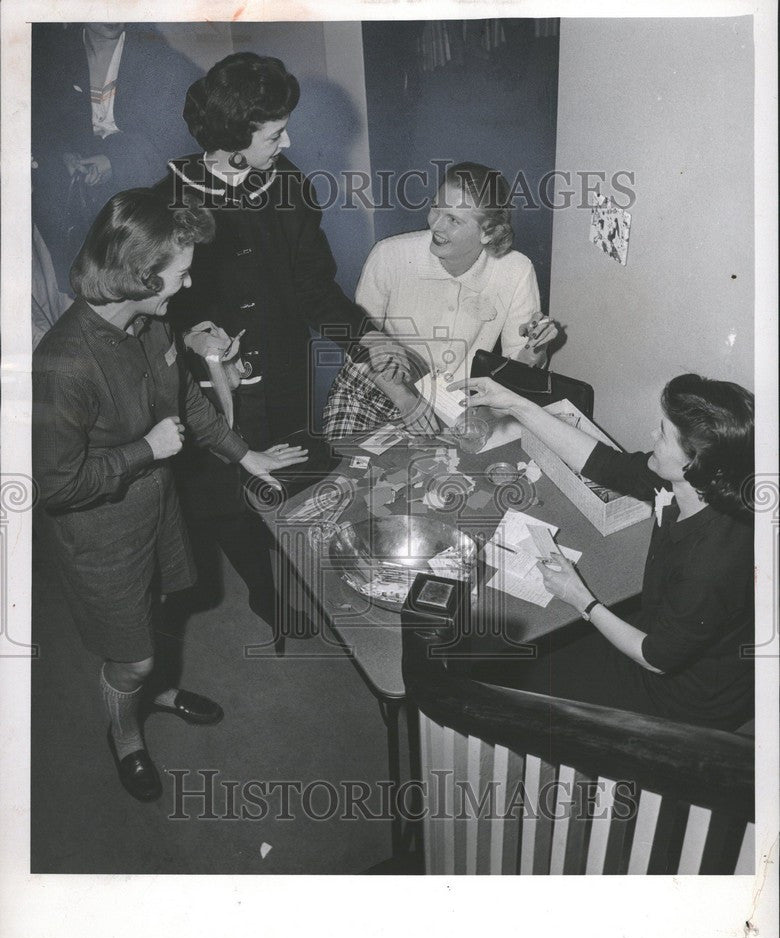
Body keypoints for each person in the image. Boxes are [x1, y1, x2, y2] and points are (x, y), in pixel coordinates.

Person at [32, 189, 307, 802]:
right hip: (102, 540)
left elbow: (182, 403)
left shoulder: (150, 322)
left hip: (157, 513)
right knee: (128, 658)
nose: (187, 287)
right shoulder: (62, 364)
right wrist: (145, 452)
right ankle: (125, 733)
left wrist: (245, 453)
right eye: (180, 274)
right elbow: (55, 486)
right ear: (137, 274)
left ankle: (153, 689)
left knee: (155, 620)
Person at [155, 52, 375, 631]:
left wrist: (367, 340)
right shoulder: (170, 200)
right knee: (227, 498)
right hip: (208, 389)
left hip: (282, 369)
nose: (288, 140)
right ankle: (263, 590)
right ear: (233, 140)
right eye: (275, 132)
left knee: (294, 478)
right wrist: (193, 331)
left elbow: (313, 287)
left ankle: (303, 570)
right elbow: (153, 308)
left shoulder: (289, 183)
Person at [450, 372, 755, 731]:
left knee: (523, 686)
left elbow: (656, 658)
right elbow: (603, 464)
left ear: (695, 464)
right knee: (536, 663)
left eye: (663, 433)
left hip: (683, 696)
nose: (652, 436)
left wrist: (581, 598)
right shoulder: (694, 484)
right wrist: (517, 403)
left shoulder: (710, 564)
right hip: (660, 628)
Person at [322, 161, 559, 440]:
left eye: (454, 220)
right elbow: (360, 345)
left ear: (490, 232)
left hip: (451, 407)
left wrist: (535, 350)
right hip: (372, 387)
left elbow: (516, 368)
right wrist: (405, 400)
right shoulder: (389, 255)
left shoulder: (516, 270)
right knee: (344, 473)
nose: (436, 224)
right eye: (436, 208)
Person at [31, 22, 200, 288]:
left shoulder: (160, 60)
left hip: (143, 188)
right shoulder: (51, 52)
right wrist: (64, 156)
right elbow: (39, 123)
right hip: (76, 199)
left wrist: (116, 163)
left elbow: (180, 142)